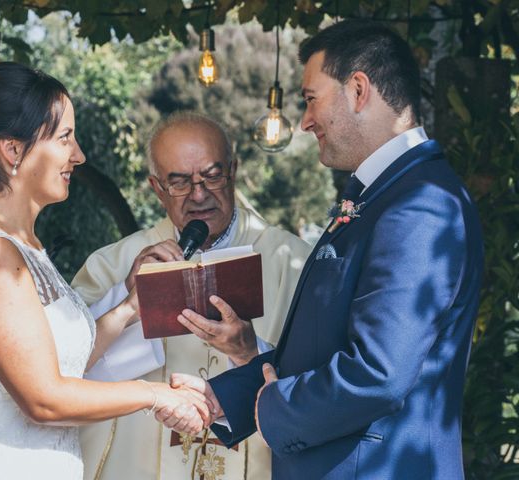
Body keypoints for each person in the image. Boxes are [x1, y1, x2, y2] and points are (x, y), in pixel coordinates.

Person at [171, 19, 484, 479]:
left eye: (311, 99)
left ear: (359, 89)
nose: (304, 121)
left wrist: (276, 406)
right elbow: (320, 350)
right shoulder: (379, 196)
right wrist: (229, 395)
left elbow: (378, 372)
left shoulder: (421, 204)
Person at [0, 62, 210, 480]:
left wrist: (130, 307)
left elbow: (51, 367)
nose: (79, 155)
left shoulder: (24, 247)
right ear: (13, 150)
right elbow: (43, 399)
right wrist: (154, 394)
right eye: (64, 138)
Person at [71, 112, 312, 479]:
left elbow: (323, 374)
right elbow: (65, 368)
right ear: (157, 187)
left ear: (233, 170)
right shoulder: (114, 265)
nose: (199, 195)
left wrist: (249, 350)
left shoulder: (293, 261)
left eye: (212, 176)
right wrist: (128, 301)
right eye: (180, 182)